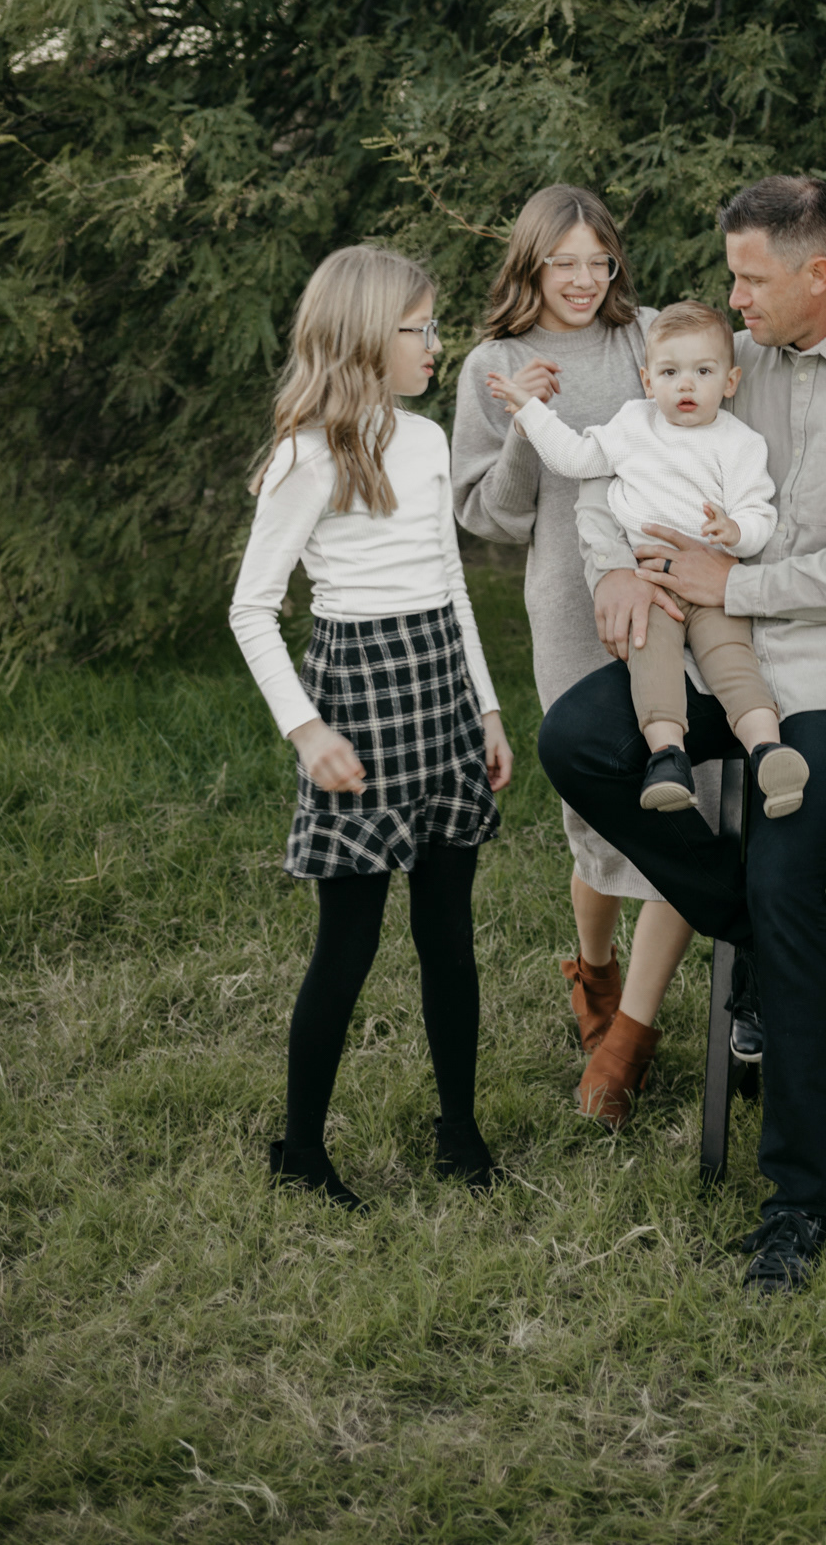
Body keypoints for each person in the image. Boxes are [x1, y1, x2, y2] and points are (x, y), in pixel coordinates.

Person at [539, 175, 826, 1296]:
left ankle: (800, 1201)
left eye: (749, 278)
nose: (731, 299)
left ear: (818, 275)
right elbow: (612, 465)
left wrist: (739, 581)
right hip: (712, 653)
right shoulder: (730, 363)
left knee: (782, 872)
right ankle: (790, 952)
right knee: (577, 740)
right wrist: (615, 567)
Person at [230, 245, 512, 1209]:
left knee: (449, 933)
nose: (436, 344)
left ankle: (458, 1130)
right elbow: (250, 610)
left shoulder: (426, 440)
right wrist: (308, 732)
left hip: (439, 688)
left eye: (434, 326)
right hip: (356, 695)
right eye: (418, 329)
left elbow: (451, 583)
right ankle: (301, 1151)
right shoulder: (305, 457)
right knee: (347, 944)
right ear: (361, 337)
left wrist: (485, 706)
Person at [450, 185, 716, 1126]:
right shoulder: (492, 364)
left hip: (675, 593)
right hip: (571, 604)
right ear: (529, 263)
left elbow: (727, 381)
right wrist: (527, 424)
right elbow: (489, 516)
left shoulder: (647, 334)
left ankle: (630, 1034)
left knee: (683, 799)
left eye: (597, 261)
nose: (581, 280)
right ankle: (594, 972)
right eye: (562, 263)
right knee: (598, 808)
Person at [493, 299, 808, 818]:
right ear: (647, 380)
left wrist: (736, 530)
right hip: (651, 585)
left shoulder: (738, 443)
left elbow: (759, 512)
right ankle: (668, 758)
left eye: (703, 372)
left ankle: (767, 750)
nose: (686, 385)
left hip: (711, 586)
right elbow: (575, 458)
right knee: (651, 659)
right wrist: (530, 411)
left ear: (729, 382)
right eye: (669, 372)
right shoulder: (632, 426)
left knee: (732, 661)